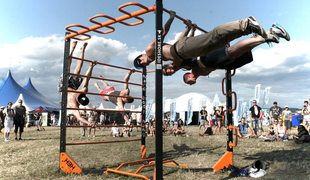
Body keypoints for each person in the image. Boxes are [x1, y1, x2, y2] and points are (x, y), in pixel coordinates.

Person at [133, 10, 279, 69]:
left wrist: (171, 17)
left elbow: (162, 33)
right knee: (220, 42)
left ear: (141, 57)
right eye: (143, 66)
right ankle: (250, 29)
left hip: (183, 49)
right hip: (185, 51)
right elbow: (176, 45)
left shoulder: (149, 50)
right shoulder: (158, 59)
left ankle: (245, 23)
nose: (144, 63)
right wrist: (189, 28)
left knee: (214, 35)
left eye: (141, 62)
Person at [160, 19, 289, 85]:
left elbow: (185, 43)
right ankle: (269, 33)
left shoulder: (180, 64)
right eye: (168, 74)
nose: (170, 72)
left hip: (207, 58)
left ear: (188, 76)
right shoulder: (195, 71)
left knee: (230, 48)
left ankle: (263, 36)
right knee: (242, 53)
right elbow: (190, 44)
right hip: (216, 63)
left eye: (167, 71)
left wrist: (189, 28)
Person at [58, 41, 97, 126]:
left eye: (77, 97)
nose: (77, 95)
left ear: (78, 102)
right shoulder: (83, 91)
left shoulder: (73, 103)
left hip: (63, 88)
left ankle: (72, 48)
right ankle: (82, 50)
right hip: (72, 87)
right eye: (79, 95)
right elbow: (87, 78)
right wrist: (91, 66)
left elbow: (78, 117)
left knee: (67, 69)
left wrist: (89, 123)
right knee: (78, 69)